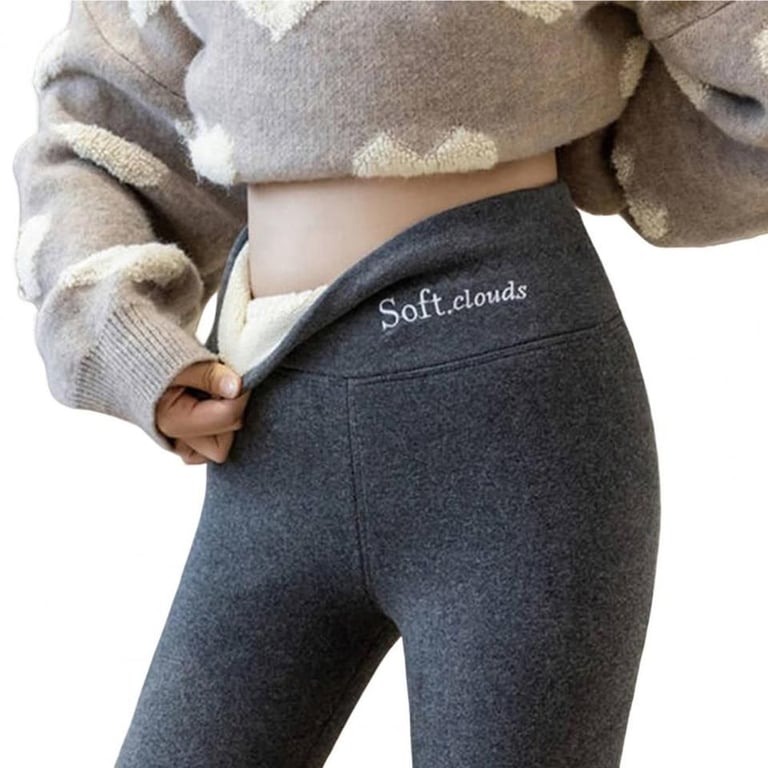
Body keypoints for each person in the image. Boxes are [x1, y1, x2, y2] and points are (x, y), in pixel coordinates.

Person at [11, 2, 768, 767]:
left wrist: (584, 117)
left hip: (514, 424)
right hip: (271, 425)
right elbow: (98, 126)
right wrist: (129, 339)